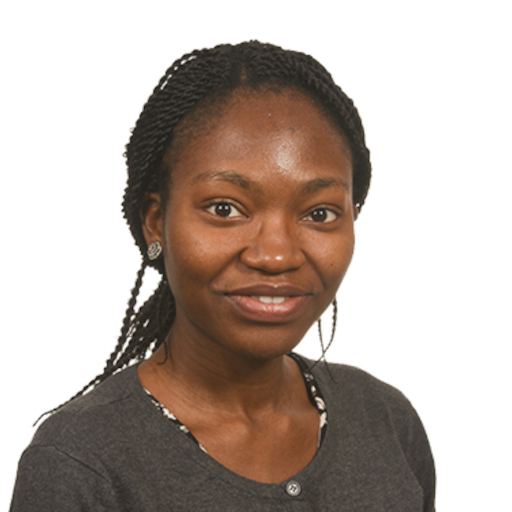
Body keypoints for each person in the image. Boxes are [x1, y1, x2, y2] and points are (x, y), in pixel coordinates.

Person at [10, 41, 436, 511]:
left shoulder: (385, 421)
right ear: (155, 221)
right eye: (225, 208)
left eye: (319, 213)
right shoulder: (81, 464)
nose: (276, 256)